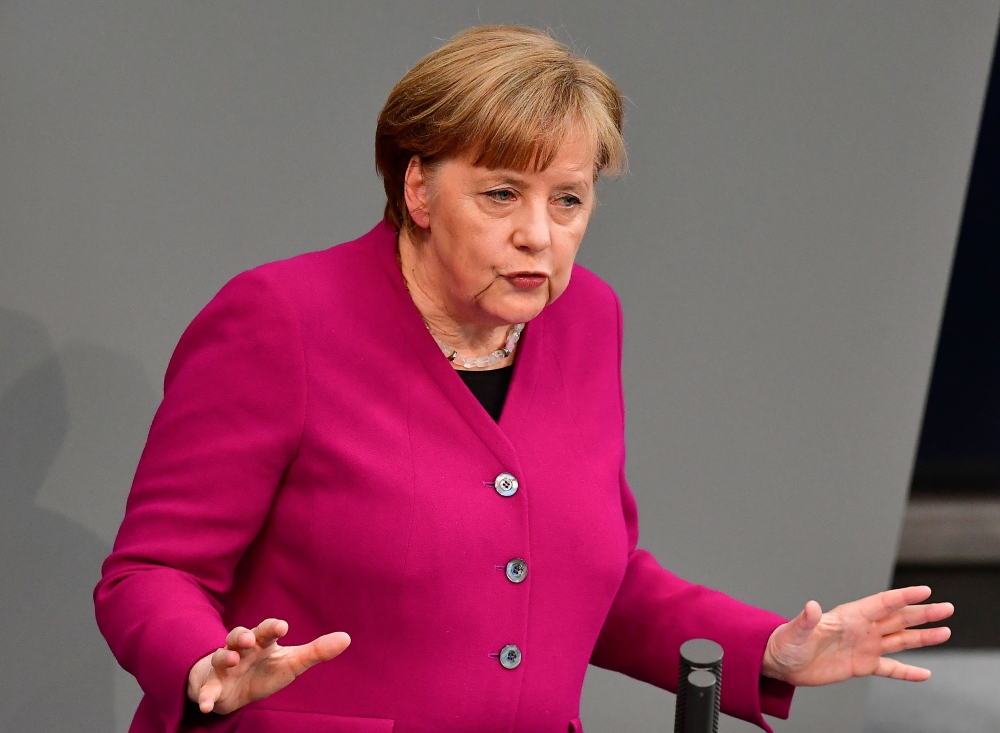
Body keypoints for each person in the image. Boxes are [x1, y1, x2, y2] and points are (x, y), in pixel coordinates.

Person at [94, 25, 953, 733]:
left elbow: (590, 580)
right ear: (420, 190)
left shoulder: (587, 322)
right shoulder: (281, 320)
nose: (539, 235)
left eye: (568, 200)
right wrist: (202, 662)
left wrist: (766, 647)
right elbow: (151, 570)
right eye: (502, 195)